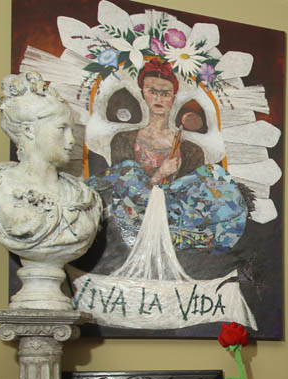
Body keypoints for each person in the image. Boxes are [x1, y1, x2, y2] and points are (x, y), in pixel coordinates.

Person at [87, 58, 248, 253]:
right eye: (152, 91)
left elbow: (190, 200)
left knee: (215, 176)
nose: (158, 98)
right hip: (135, 217)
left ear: (173, 97)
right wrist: (160, 174)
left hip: (174, 218)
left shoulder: (191, 150)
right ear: (143, 93)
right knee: (129, 169)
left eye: (165, 93)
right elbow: (122, 191)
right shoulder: (122, 140)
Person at [0, 73, 102, 306]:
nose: (72, 140)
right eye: (61, 128)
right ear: (29, 131)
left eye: (72, 130)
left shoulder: (84, 197)